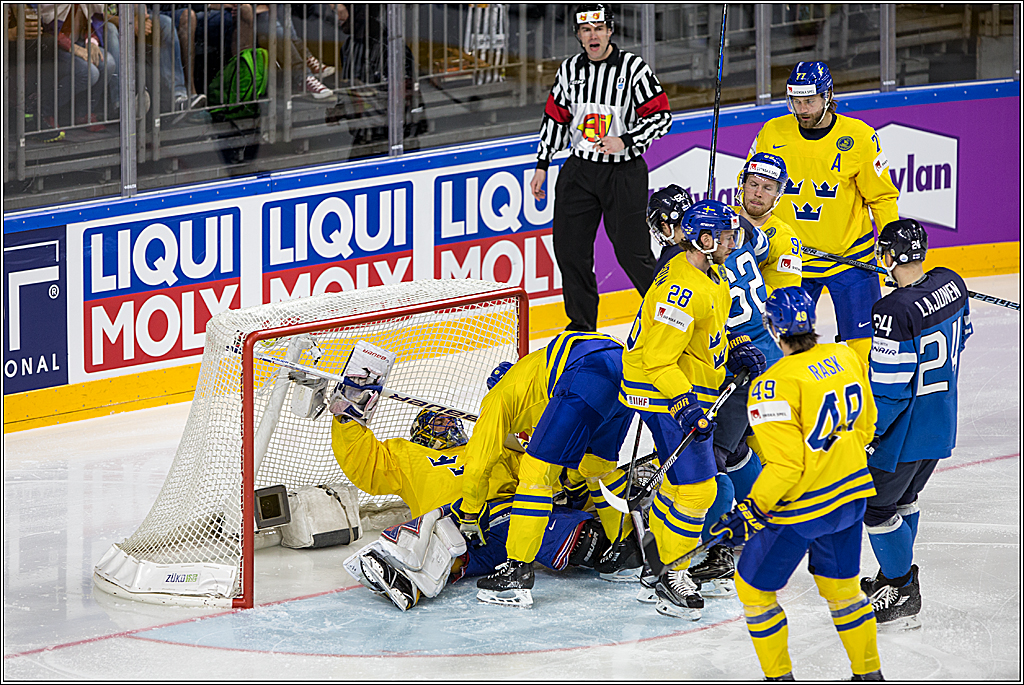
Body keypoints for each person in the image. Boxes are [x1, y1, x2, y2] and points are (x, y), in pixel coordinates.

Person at [709, 285, 882, 681]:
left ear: (773, 328)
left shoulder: (772, 384)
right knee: (843, 592)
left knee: (754, 590)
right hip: (852, 497)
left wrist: (749, 512)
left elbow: (786, 469)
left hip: (802, 510)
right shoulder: (844, 356)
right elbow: (868, 426)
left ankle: (780, 678)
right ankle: (869, 674)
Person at [620, 199, 764, 619]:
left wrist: (737, 348)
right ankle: (672, 572)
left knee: (683, 484)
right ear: (703, 240)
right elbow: (658, 360)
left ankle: (656, 566)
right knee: (699, 487)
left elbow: (708, 333)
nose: (732, 240)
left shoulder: (710, 273)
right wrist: (683, 406)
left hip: (684, 387)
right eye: (723, 234)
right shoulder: (680, 291)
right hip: (661, 392)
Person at [331, 407, 606, 612]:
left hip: (511, 521)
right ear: (421, 428)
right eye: (438, 420)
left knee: (586, 539)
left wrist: (528, 433)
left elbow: (546, 477)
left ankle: (620, 539)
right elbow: (365, 465)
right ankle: (405, 580)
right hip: (457, 533)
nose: (448, 423)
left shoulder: (489, 444)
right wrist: (347, 420)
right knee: (440, 548)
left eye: (451, 419)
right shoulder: (406, 454)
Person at [687, 153, 804, 596]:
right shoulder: (746, 237)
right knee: (737, 451)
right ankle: (774, 518)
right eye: (752, 183)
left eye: (767, 187)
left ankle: (719, 548)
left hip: (747, 363)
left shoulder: (713, 255)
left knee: (713, 455)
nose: (758, 192)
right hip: (766, 356)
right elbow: (754, 243)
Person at [465, 331, 640, 607]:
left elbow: (477, 465)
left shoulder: (498, 399)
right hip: (624, 371)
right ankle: (626, 552)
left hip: (588, 373)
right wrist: (572, 481)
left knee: (535, 475)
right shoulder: (534, 377)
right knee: (599, 468)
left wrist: (470, 514)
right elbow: (574, 441)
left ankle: (517, 572)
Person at [530, 3, 671, 332]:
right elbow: (556, 118)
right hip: (580, 171)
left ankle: (668, 321)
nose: (592, 35)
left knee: (631, 253)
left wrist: (626, 139)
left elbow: (661, 117)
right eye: (585, 30)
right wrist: (543, 163)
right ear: (578, 35)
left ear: (610, 30)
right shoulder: (568, 71)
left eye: (598, 28)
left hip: (623, 172)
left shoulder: (633, 69)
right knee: (570, 251)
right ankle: (581, 328)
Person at [749, 61, 900, 363]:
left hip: (850, 259)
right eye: (796, 101)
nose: (802, 109)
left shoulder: (859, 137)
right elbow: (753, 190)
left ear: (828, 95)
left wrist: (891, 248)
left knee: (864, 351)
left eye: (810, 101)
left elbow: (882, 198)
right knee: (782, 347)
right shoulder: (772, 133)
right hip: (790, 260)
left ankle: (867, 409)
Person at [861, 219, 972, 631]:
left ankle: (901, 587)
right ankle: (894, 578)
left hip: (901, 435)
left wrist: (866, 432)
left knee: (876, 508)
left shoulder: (891, 312)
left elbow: (890, 393)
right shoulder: (951, 282)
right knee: (904, 498)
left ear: (888, 256)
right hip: (940, 420)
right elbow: (963, 336)